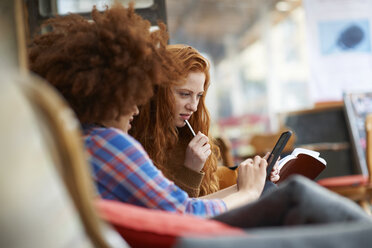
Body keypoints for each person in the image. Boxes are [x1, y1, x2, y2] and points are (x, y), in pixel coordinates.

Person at [28, 3, 268, 218]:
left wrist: (245, 187)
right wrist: (247, 193)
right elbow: (183, 214)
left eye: (199, 96)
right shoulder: (109, 144)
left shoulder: (81, 140)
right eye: (130, 96)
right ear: (109, 95)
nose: (136, 108)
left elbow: (174, 208)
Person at [130, 44, 279, 197]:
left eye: (199, 96)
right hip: (188, 220)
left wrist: (251, 176)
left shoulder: (185, 136)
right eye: (184, 94)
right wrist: (191, 170)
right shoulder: (134, 146)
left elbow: (209, 194)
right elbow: (177, 211)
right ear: (158, 91)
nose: (194, 106)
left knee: (270, 188)